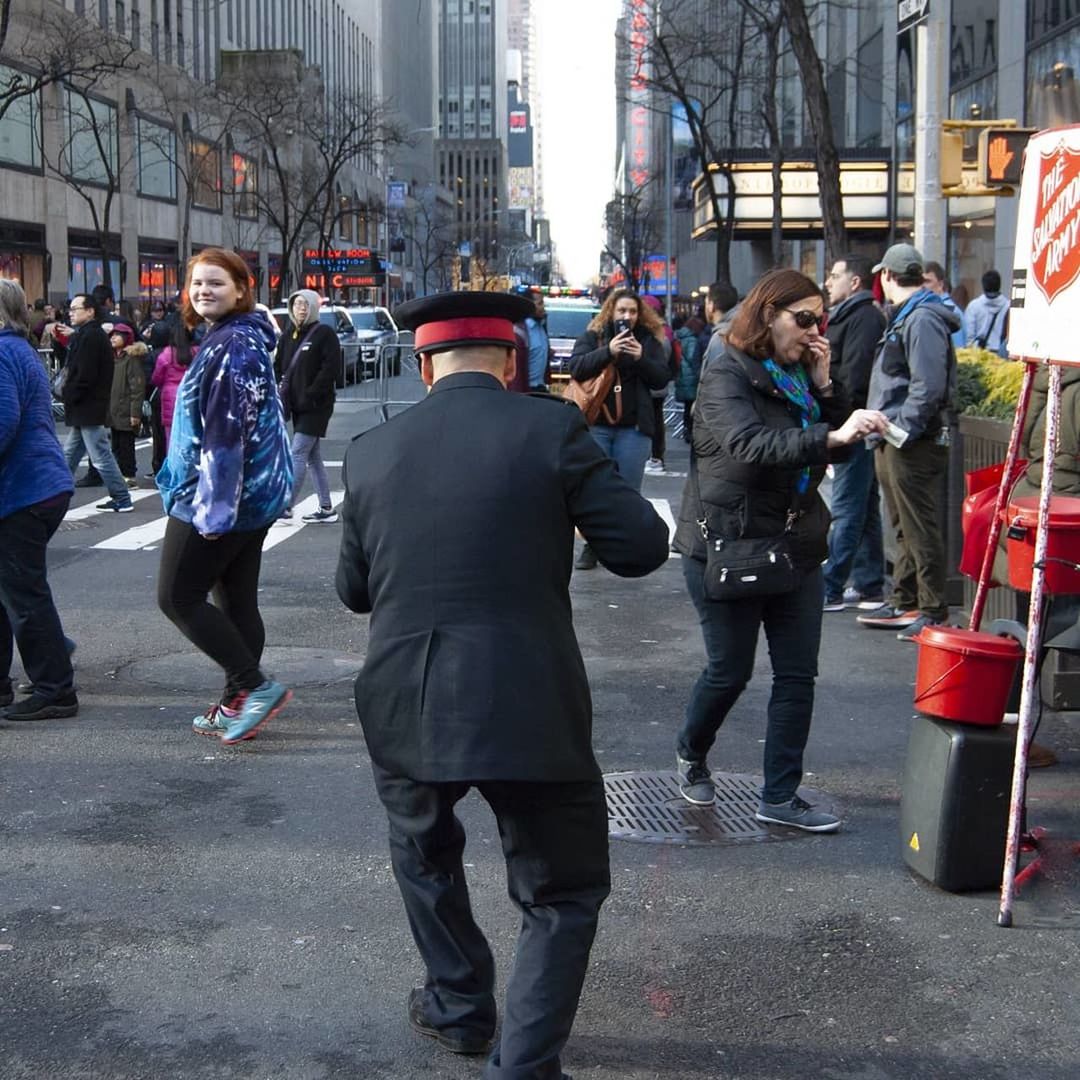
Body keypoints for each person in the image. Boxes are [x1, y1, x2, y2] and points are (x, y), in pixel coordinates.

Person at [336, 290, 669, 1080]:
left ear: (422, 367)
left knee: (424, 856)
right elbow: (641, 547)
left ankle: (458, 1005)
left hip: (405, 697)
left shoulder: (370, 452)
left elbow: (355, 590)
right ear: (514, 362)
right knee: (562, 892)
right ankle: (522, 1063)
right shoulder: (551, 428)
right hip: (528, 697)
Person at [672, 268, 889, 830]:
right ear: (768, 314)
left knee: (797, 675)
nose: (816, 331)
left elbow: (839, 445)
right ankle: (691, 751)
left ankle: (779, 795)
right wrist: (830, 435)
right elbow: (750, 445)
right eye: (805, 319)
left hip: (794, 544)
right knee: (730, 671)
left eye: (822, 319)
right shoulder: (726, 373)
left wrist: (823, 384)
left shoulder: (798, 377)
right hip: (729, 546)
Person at [156, 248, 293, 745]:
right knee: (236, 602)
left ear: (241, 289)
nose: (203, 291)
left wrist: (213, 512)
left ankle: (255, 689)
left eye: (216, 283)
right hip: (252, 497)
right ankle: (238, 700)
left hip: (219, 498)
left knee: (177, 596)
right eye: (196, 284)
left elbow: (226, 435)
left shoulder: (233, 345)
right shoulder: (235, 338)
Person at [857, 243, 960, 640]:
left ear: (886, 276)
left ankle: (930, 609)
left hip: (910, 439)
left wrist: (900, 430)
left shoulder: (919, 320)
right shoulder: (916, 316)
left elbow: (927, 386)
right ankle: (907, 600)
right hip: (902, 435)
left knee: (917, 524)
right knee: (905, 523)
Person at [0, 279, 78, 721]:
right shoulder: (20, 348)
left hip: (22, 490)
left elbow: (2, 421)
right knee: (11, 592)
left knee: (24, 594)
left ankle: (55, 689)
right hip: (37, 485)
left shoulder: (2, 351)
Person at [568, 287, 670, 569]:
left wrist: (640, 358)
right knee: (595, 488)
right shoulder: (595, 337)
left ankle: (623, 547)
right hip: (597, 425)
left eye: (633, 311)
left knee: (627, 490)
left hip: (634, 429)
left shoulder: (648, 340)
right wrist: (608, 351)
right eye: (622, 310)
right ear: (611, 311)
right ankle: (592, 545)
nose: (628, 316)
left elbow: (661, 378)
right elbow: (576, 367)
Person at [822, 253, 887, 611]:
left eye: (835, 276)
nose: (828, 282)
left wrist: (841, 422)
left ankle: (831, 587)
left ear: (855, 282)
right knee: (863, 506)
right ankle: (869, 584)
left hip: (854, 426)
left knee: (848, 507)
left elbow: (855, 377)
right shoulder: (855, 316)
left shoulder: (862, 318)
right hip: (854, 424)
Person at [59, 292, 134, 512]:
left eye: (75, 309)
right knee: (69, 455)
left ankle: (121, 497)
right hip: (86, 406)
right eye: (70, 309)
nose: (70, 313)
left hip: (88, 405)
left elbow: (85, 375)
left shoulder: (91, 336)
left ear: (90, 311)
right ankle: (54, 494)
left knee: (100, 455)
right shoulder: (89, 334)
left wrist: (70, 394)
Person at [275, 289, 340, 524]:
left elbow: (331, 368)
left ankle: (286, 506)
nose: (301, 309)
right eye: (297, 304)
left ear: (314, 307)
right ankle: (326, 508)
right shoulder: (288, 334)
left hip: (317, 405)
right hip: (296, 405)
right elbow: (279, 365)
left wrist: (313, 392)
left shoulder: (324, 333)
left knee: (298, 451)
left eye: (305, 305)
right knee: (313, 456)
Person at [106, 323, 147, 487]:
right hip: (114, 409)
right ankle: (120, 475)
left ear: (126, 338)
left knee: (126, 446)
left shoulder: (131, 358)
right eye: (112, 334)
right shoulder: (113, 357)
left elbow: (137, 388)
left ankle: (129, 476)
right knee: (115, 445)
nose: (113, 337)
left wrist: (135, 413)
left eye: (118, 335)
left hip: (126, 409)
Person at [151, 320, 199, 453]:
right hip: (192, 394)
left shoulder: (167, 354)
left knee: (171, 437)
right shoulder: (197, 352)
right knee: (192, 434)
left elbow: (156, 378)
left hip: (170, 396)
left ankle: (174, 468)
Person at [963, 269, 1010, 355]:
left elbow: (969, 337)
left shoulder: (973, 306)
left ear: (983, 285)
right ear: (999, 285)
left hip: (978, 354)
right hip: (1001, 356)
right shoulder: (1008, 307)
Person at [672, 313, 702, 442]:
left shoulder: (680, 337)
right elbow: (692, 358)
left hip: (682, 376)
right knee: (691, 408)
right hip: (691, 378)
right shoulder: (692, 340)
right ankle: (689, 432)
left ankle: (686, 430)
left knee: (687, 408)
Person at [923, 261, 965, 348]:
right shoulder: (926, 307)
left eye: (927, 281)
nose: (923, 286)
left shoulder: (951, 311)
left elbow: (958, 349)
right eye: (920, 281)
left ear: (940, 284)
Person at [525, 293, 550, 391]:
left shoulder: (541, 327)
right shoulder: (523, 330)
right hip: (527, 389)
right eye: (540, 303)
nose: (543, 307)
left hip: (540, 386)